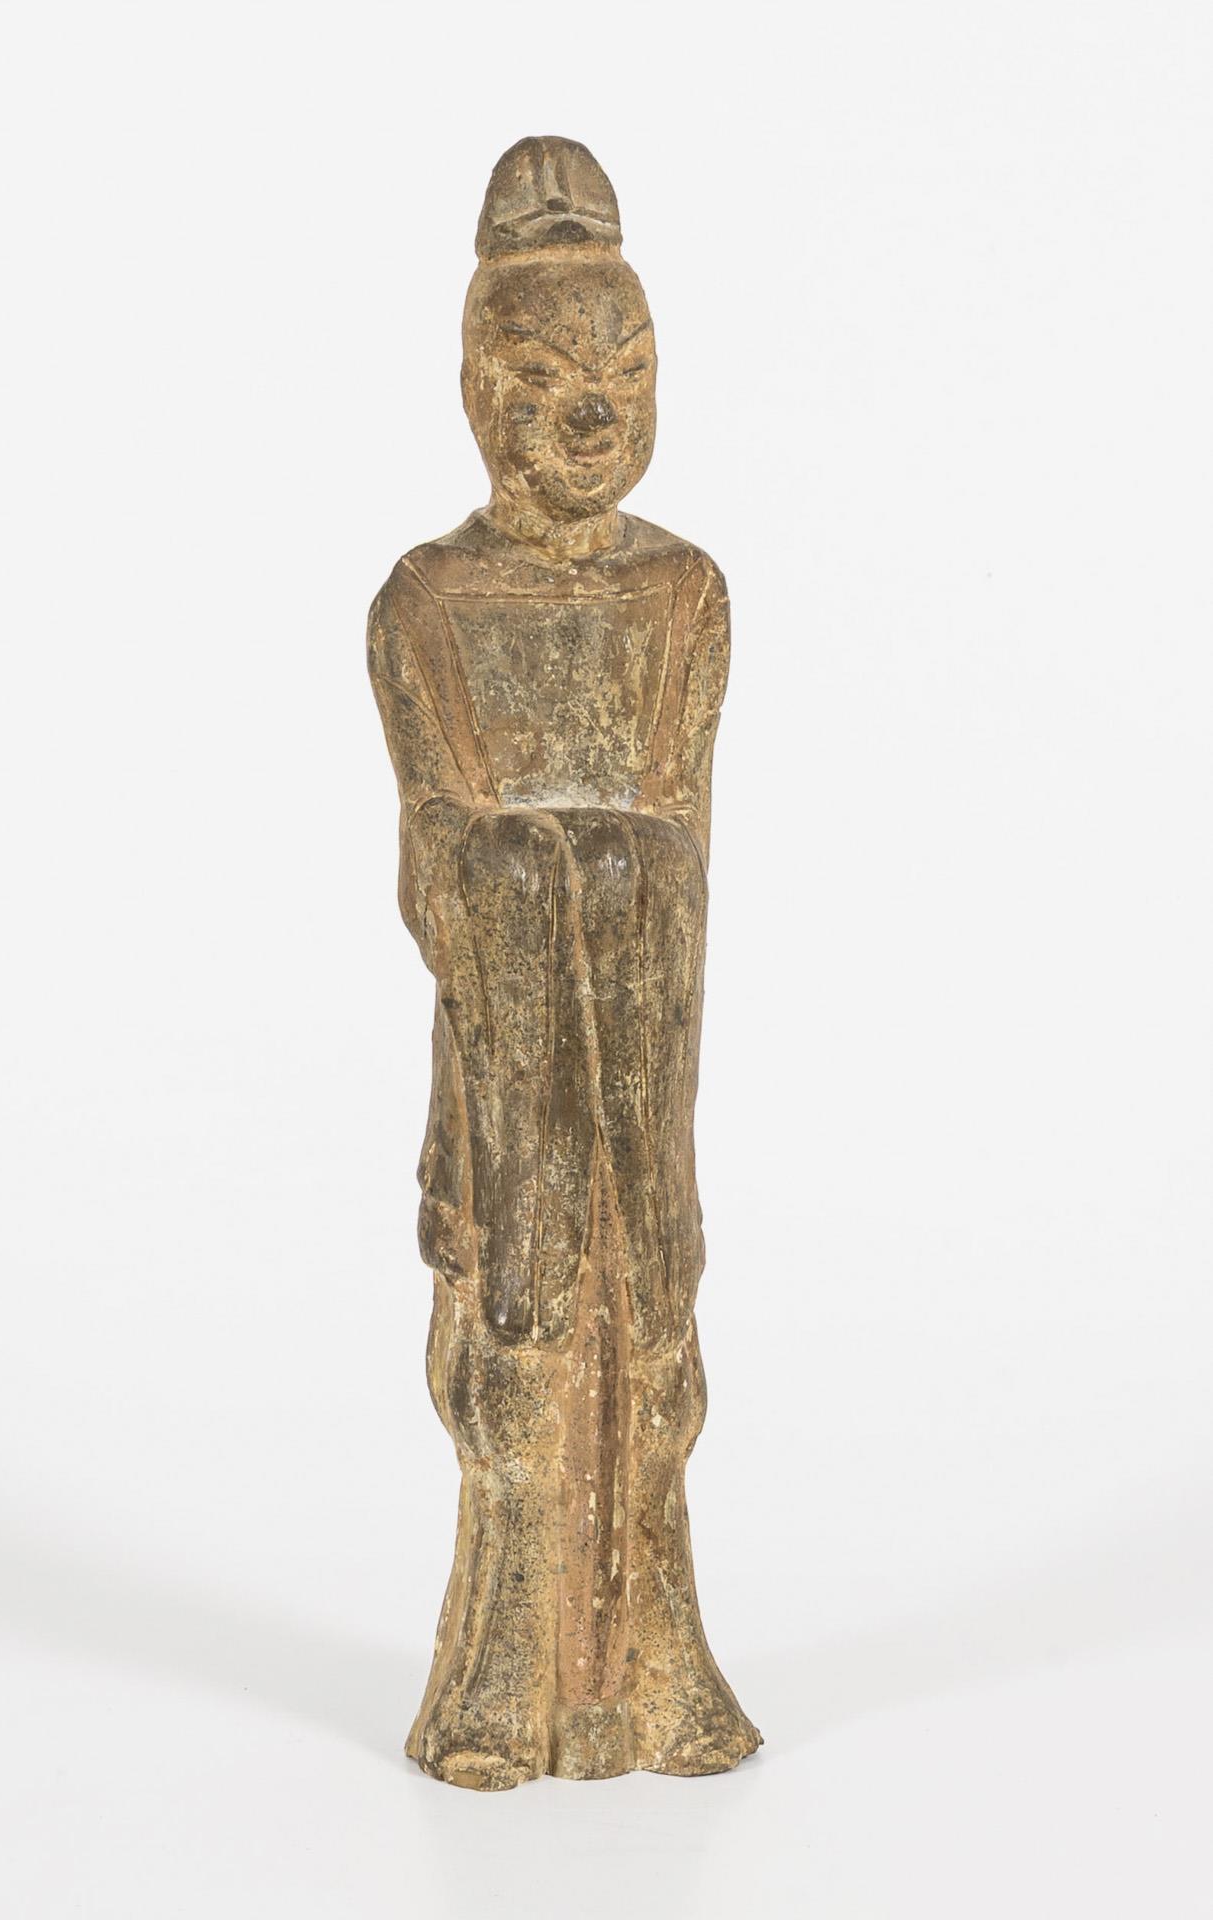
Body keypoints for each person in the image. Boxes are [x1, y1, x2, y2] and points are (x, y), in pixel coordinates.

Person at [368, 136, 760, 1789]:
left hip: (640, 1050)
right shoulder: (428, 603)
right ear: (481, 390)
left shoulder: (683, 598)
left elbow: (678, 839)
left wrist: (605, 866)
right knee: (515, 1349)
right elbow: (437, 858)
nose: (594, 413)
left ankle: (652, 1671)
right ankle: (502, 1673)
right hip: (512, 1065)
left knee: (650, 1347)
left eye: (628, 371)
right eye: (546, 378)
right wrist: (530, 866)